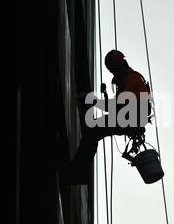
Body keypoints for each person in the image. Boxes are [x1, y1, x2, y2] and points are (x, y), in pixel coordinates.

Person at [60, 50, 152, 185]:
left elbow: (119, 106)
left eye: (112, 69)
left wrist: (93, 101)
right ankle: (79, 172)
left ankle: (77, 173)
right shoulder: (128, 80)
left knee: (93, 131)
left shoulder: (130, 79)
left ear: (118, 66)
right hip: (130, 119)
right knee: (94, 131)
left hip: (130, 119)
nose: (113, 73)